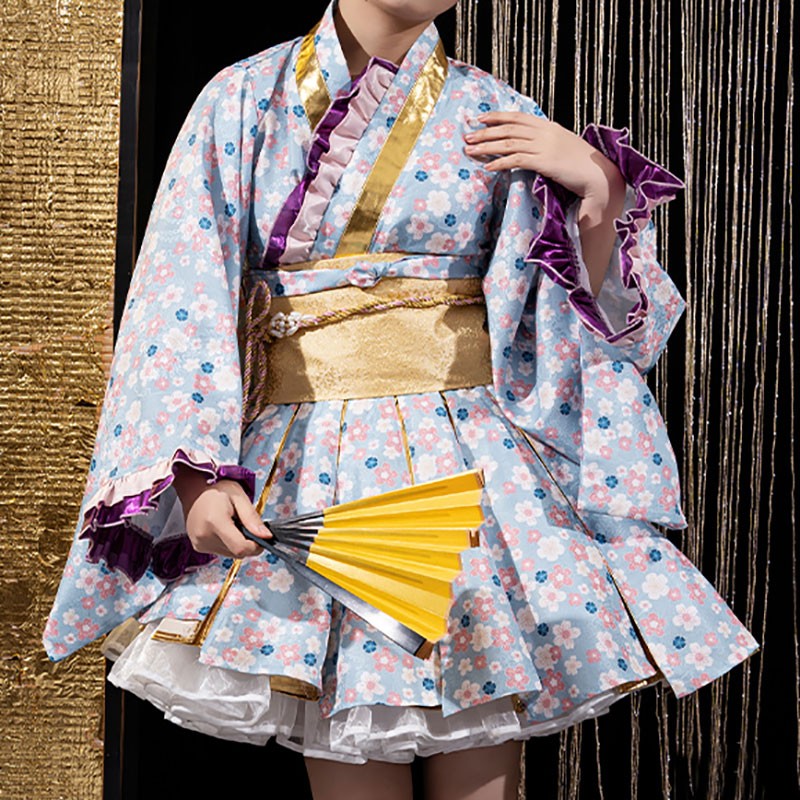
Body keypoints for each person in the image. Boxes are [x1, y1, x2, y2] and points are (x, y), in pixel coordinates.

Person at [43, 1, 760, 797]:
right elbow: (182, 287)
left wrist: (599, 191)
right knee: (346, 723)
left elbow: (562, 321)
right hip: (313, 462)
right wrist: (196, 472)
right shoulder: (243, 97)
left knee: (481, 721)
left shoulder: (495, 112)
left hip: (472, 465)